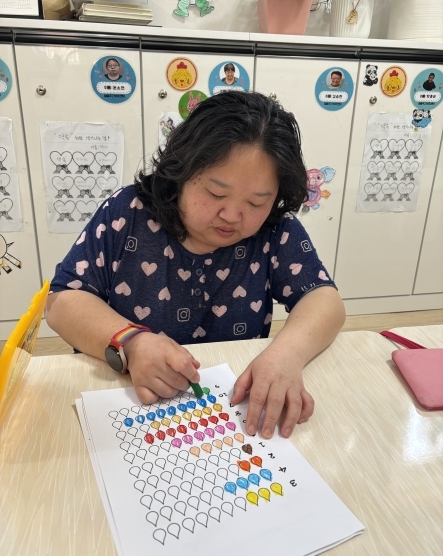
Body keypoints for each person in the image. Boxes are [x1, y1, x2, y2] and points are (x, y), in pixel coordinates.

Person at [46, 91, 345, 440]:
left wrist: (286, 355)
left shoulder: (274, 229)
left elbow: (324, 299)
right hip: (128, 403)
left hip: (228, 416)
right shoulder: (128, 212)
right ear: (182, 170)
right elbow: (62, 302)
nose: (231, 215)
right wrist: (132, 342)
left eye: (256, 202)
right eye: (216, 194)